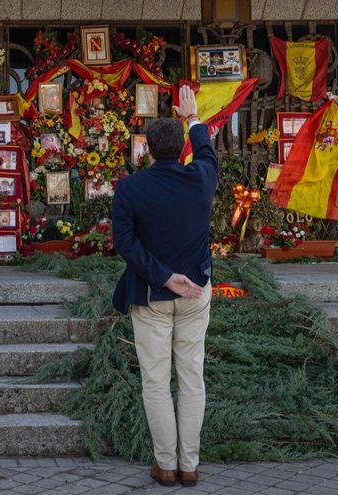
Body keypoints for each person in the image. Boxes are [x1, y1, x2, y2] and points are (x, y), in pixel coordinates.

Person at [111, 85, 216, 489]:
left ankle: (165, 467)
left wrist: (161, 276)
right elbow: (206, 152)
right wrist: (192, 117)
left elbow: (125, 244)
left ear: (147, 149)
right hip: (196, 292)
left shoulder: (132, 188)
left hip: (153, 294)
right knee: (192, 378)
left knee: (156, 381)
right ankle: (189, 466)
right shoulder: (201, 178)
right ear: (181, 148)